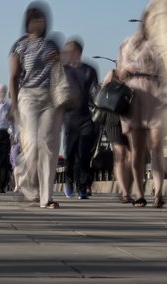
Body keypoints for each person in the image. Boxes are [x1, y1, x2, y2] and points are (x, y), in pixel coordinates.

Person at [10, 1, 64, 209]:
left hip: (50, 98)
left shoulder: (52, 45)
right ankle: (24, 181)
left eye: (41, 20)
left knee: (49, 146)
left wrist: (59, 60)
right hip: (28, 96)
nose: (38, 24)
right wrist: (14, 105)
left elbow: (60, 73)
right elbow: (14, 77)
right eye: (34, 20)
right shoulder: (20, 45)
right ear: (28, 23)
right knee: (32, 142)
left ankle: (46, 197)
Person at [117, 7, 166, 208]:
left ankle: (158, 193)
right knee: (138, 150)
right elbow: (119, 73)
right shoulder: (129, 43)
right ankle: (139, 193)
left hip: (157, 95)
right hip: (135, 94)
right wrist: (126, 70)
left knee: (155, 145)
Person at [62, 39, 98, 200]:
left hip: (85, 118)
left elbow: (94, 92)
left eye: (70, 50)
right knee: (70, 154)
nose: (68, 54)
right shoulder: (63, 70)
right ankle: (69, 181)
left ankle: (82, 186)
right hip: (69, 119)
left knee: (84, 154)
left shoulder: (89, 70)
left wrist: (98, 98)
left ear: (78, 52)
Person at [101, 70, 133, 204]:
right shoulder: (113, 73)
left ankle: (128, 189)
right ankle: (125, 192)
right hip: (113, 119)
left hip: (131, 119)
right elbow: (102, 91)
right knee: (120, 153)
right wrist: (114, 74)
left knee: (132, 156)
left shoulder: (137, 75)